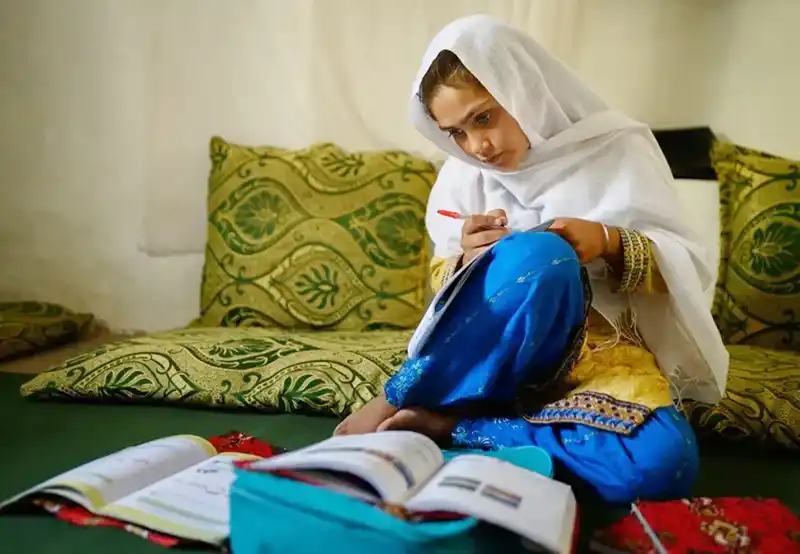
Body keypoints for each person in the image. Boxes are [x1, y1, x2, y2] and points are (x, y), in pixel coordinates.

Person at [335, 14, 729, 504]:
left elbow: (687, 267)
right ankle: (402, 395)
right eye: (455, 133)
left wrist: (607, 239)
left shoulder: (617, 148)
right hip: (497, 360)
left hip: (600, 359)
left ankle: (457, 427)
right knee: (538, 254)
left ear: (522, 90)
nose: (477, 146)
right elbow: (443, 292)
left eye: (483, 117)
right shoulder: (464, 177)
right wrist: (465, 261)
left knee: (664, 463)